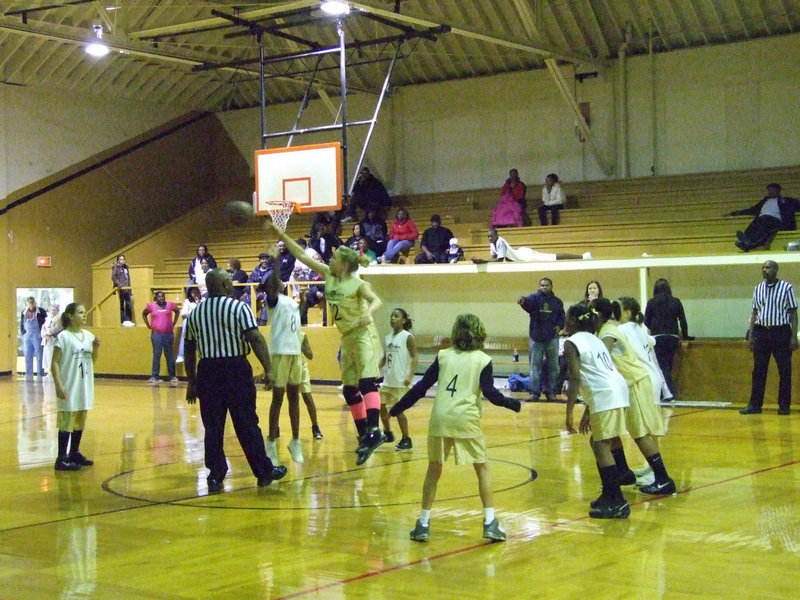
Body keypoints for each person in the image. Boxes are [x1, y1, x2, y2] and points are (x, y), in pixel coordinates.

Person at [390, 313, 521, 542]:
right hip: (466, 419)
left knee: (434, 469)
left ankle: (423, 523)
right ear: (480, 333)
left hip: (440, 418)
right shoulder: (483, 359)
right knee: (482, 468)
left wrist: (397, 408)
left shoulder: (443, 356)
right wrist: (514, 404)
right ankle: (490, 521)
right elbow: (492, 394)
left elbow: (421, 387)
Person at [270, 223, 385, 465]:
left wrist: (369, 313)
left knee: (366, 382)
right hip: (348, 337)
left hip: (364, 334)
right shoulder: (329, 275)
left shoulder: (356, 284)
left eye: (333, 258)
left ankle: (375, 431)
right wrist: (281, 235)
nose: (329, 259)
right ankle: (365, 435)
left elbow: (376, 301)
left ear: (343, 265)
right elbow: (301, 254)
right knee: (349, 390)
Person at [183, 269, 287, 493]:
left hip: (208, 372)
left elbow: (189, 348)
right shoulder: (239, 308)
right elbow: (255, 338)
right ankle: (263, 472)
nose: (232, 283)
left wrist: (191, 381)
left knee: (213, 426)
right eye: (229, 280)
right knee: (247, 423)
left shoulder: (196, 312)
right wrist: (269, 369)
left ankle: (215, 474)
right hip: (235, 369)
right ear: (223, 284)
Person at [592, 297, 677, 496]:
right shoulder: (610, 329)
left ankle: (663, 479)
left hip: (636, 382)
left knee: (640, 433)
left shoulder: (611, 331)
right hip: (630, 384)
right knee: (612, 432)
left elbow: (602, 356)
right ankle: (624, 473)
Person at [563, 303, 631, 518]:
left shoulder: (572, 342)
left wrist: (569, 413)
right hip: (616, 391)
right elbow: (597, 374)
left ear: (573, 321)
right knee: (598, 442)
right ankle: (609, 495)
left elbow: (575, 378)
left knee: (601, 444)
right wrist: (588, 411)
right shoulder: (595, 338)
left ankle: (618, 501)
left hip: (606, 394)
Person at [740, 260, 798, 415]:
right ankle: (755, 405)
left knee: (784, 370)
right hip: (761, 332)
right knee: (758, 370)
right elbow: (754, 314)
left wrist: (793, 336)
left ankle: (784, 406)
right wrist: (751, 336)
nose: (765, 270)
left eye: (768, 267)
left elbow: (793, 313)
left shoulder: (786, 287)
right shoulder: (757, 288)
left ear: (776, 270)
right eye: (763, 267)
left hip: (781, 332)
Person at [263, 268, 306, 465]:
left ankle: (295, 440)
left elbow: (295, 324)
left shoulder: (291, 301)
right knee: (278, 398)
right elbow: (272, 283)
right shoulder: (273, 301)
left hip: (295, 352)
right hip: (280, 352)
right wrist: (275, 260)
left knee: (294, 398)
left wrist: (304, 302)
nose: (278, 281)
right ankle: (271, 441)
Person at [51, 303, 100, 471]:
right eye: (80, 312)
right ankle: (61, 458)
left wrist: (96, 349)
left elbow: (91, 362)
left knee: (80, 420)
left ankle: (74, 453)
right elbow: (55, 363)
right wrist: (58, 385)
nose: (84, 315)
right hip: (69, 385)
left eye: (85, 312)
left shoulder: (88, 336)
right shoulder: (63, 337)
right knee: (66, 421)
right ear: (70, 316)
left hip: (83, 385)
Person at [518, 278, 565, 403]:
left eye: (546, 285)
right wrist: (522, 301)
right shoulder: (534, 298)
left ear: (551, 286)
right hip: (536, 338)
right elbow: (527, 302)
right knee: (534, 367)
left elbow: (562, 317)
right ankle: (534, 393)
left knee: (554, 367)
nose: (544, 287)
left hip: (552, 338)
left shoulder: (557, 302)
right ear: (539, 286)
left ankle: (551, 393)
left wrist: (559, 326)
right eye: (542, 285)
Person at [379, 308, 418, 450]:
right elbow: (385, 357)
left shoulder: (407, 336)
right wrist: (375, 369)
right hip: (388, 380)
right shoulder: (388, 337)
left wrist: (410, 375)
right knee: (381, 407)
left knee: (398, 411)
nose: (392, 318)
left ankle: (406, 438)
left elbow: (415, 357)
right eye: (391, 316)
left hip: (401, 381)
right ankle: (388, 432)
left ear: (403, 320)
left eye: (396, 316)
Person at [644, 278, 689, 400]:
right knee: (668, 365)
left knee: (661, 365)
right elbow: (683, 321)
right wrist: (684, 338)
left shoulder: (651, 302)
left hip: (657, 337)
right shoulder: (676, 301)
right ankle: (667, 392)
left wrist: (654, 327)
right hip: (672, 337)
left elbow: (646, 321)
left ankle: (668, 393)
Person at [617, 297, 667, 406]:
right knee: (653, 420)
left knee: (641, 422)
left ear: (627, 313)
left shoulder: (622, 329)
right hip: (654, 378)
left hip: (643, 381)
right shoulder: (638, 328)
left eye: (617, 308)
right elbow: (652, 341)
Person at [725, 183, 800, 251]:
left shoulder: (786, 200)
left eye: (772, 190)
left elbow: (798, 205)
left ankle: (748, 242)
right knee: (755, 225)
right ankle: (747, 243)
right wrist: (736, 213)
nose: (770, 191)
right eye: (769, 190)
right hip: (762, 220)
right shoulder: (764, 201)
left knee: (762, 221)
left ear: (778, 191)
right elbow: (752, 210)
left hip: (777, 221)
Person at [472, 227, 591, 263]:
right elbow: (493, 258)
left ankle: (582, 257)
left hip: (526, 256)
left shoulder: (499, 242)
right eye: (488, 236)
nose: (489, 238)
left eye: (491, 236)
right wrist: (480, 260)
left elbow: (499, 260)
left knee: (553, 257)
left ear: (497, 234)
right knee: (552, 257)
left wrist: (483, 261)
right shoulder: (492, 244)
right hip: (519, 256)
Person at [141, 290, 180, 386]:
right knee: (156, 355)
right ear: (156, 298)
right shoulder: (151, 306)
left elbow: (177, 311)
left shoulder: (170, 305)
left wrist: (174, 322)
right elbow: (144, 314)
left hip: (168, 334)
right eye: (159, 296)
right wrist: (148, 325)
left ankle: (172, 376)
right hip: (156, 335)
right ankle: (154, 376)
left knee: (169, 355)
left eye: (162, 296)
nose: (161, 298)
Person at [298, 331, 323, 440]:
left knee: (308, 398)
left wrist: (300, 345)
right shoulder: (281, 333)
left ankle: (315, 426)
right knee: (278, 397)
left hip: (301, 369)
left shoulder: (302, 335)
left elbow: (310, 355)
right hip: (287, 367)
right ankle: (275, 429)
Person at [20, 296, 47, 379]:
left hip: (37, 334)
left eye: (32, 302)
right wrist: (23, 332)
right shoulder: (24, 312)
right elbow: (21, 323)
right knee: (28, 354)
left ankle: (40, 373)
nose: (31, 304)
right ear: (27, 303)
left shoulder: (41, 311)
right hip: (28, 335)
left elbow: (46, 322)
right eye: (29, 302)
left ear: (35, 302)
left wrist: (43, 333)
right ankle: (28, 374)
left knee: (39, 354)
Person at [176, 287, 202, 364]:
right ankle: (181, 354)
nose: (194, 294)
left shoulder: (203, 301)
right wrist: (192, 314)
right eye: (192, 292)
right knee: (185, 324)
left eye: (196, 292)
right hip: (190, 320)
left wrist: (198, 303)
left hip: (200, 321)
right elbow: (183, 313)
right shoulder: (187, 301)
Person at [247, 252, 274, 325]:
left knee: (267, 299)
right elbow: (249, 281)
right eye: (262, 259)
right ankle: (252, 320)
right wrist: (247, 292)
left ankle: (263, 320)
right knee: (245, 299)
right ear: (259, 260)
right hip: (255, 292)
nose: (264, 261)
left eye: (266, 259)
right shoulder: (255, 270)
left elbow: (273, 284)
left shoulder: (272, 271)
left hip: (267, 293)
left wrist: (265, 292)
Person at [111, 254, 134, 326]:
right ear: (118, 260)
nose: (122, 261)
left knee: (128, 304)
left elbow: (128, 278)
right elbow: (113, 277)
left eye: (123, 259)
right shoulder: (116, 267)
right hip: (120, 289)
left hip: (127, 288)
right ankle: (122, 320)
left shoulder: (126, 267)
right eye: (121, 259)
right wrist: (119, 284)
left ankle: (128, 320)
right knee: (121, 305)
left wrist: (130, 289)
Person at [41, 304, 62, 376]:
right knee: (47, 356)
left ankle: (53, 371)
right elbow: (43, 327)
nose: (52, 311)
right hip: (46, 340)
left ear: (57, 311)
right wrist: (43, 334)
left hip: (54, 340)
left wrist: (48, 332)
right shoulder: (48, 318)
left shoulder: (59, 319)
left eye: (54, 310)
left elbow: (57, 328)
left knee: (52, 356)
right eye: (51, 310)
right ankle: (49, 370)